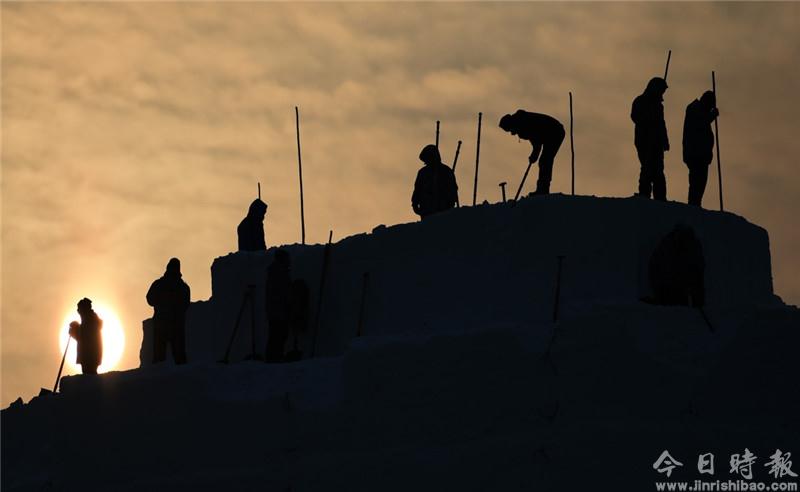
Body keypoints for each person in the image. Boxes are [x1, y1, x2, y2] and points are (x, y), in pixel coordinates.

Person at [498, 110, 565, 195]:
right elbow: (536, 141)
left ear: (511, 124)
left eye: (510, 130)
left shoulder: (524, 122)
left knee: (545, 161)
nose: (512, 133)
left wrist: (534, 154)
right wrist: (534, 154)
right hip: (548, 134)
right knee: (544, 161)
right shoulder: (522, 123)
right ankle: (542, 189)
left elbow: (537, 139)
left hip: (555, 132)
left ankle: (543, 190)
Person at [631, 77, 670, 201]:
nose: (662, 94)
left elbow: (661, 123)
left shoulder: (658, 106)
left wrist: (665, 140)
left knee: (658, 170)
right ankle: (644, 195)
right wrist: (648, 118)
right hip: (644, 141)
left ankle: (660, 198)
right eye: (661, 91)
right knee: (647, 168)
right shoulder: (640, 101)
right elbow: (635, 116)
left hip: (657, 142)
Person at [146, 258, 191, 364]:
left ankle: (158, 377)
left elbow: (150, 299)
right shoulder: (183, 287)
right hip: (176, 325)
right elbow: (186, 305)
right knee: (179, 357)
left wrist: (161, 305)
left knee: (159, 357)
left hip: (162, 324)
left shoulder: (159, 284)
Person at [648, 224, 705, 307]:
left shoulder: (692, 248)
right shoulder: (666, 247)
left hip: (679, 290)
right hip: (667, 289)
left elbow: (697, 274)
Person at [682, 91, 719, 207]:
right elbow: (699, 124)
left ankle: (696, 203)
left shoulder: (701, 111)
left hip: (703, 155)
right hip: (695, 153)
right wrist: (711, 116)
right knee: (696, 181)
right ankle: (693, 204)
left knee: (701, 182)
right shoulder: (694, 108)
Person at [411, 144, 458, 219]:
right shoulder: (423, 172)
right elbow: (417, 190)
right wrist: (415, 204)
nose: (426, 162)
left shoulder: (445, 171)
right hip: (426, 209)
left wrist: (449, 203)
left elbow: (453, 190)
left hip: (443, 208)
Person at [265, 249, 292, 362]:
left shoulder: (275, 271)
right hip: (279, 309)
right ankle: (274, 357)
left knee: (276, 334)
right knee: (278, 334)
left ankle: (274, 357)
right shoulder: (279, 272)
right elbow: (282, 292)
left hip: (275, 310)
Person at [68, 298, 103, 374]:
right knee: (89, 376)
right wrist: (76, 329)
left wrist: (75, 329)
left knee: (89, 377)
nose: (78, 311)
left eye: (79, 309)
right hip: (89, 356)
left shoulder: (90, 321)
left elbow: (84, 338)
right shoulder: (90, 320)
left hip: (89, 356)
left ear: (84, 309)